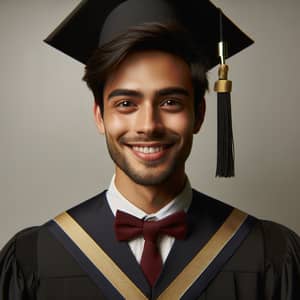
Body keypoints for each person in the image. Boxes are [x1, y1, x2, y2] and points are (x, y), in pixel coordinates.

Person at [0, 0, 299, 299]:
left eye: (170, 102)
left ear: (200, 114)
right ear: (99, 115)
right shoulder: (35, 260)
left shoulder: (267, 255)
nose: (148, 125)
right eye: (126, 104)